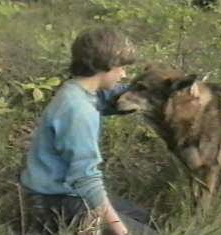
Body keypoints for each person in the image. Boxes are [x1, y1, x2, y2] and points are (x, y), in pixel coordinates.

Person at [20, 27, 157, 235]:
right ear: (105, 66)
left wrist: (154, 89)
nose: (124, 74)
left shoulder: (77, 91)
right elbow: (86, 178)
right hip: (53, 203)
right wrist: (119, 230)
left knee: (148, 220)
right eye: (121, 68)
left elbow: (110, 98)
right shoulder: (79, 111)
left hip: (56, 192)